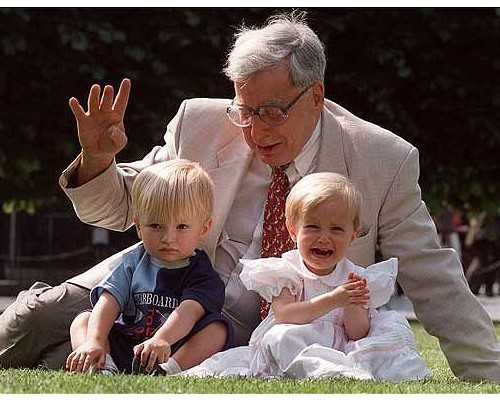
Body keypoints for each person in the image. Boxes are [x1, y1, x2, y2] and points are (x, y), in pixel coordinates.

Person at [1, 11, 499, 381]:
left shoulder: (383, 160)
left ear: (316, 96)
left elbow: (433, 277)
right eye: (245, 109)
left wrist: (489, 378)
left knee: (67, 358)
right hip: (152, 290)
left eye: (272, 112)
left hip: (245, 338)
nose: (256, 129)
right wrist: (97, 160)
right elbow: (122, 206)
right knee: (36, 318)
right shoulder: (200, 122)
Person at [181, 172, 431, 382]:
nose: (324, 238)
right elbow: (285, 316)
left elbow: (357, 333)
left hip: (338, 344)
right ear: (293, 230)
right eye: (312, 227)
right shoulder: (287, 272)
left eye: (337, 229)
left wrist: (352, 304)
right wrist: (334, 299)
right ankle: (325, 370)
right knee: (281, 338)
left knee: (387, 334)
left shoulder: (355, 277)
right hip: (297, 337)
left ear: (352, 235)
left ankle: (341, 367)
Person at [66, 159, 232, 375]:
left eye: (182, 226)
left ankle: (168, 371)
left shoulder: (201, 273)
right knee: (83, 320)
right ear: (138, 227)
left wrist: (162, 339)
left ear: (204, 228)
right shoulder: (133, 262)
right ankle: (102, 365)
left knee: (217, 329)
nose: (168, 238)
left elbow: (189, 311)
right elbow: (109, 301)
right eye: (155, 226)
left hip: (172, 348)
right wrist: (95, 340)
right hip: (127, 343)